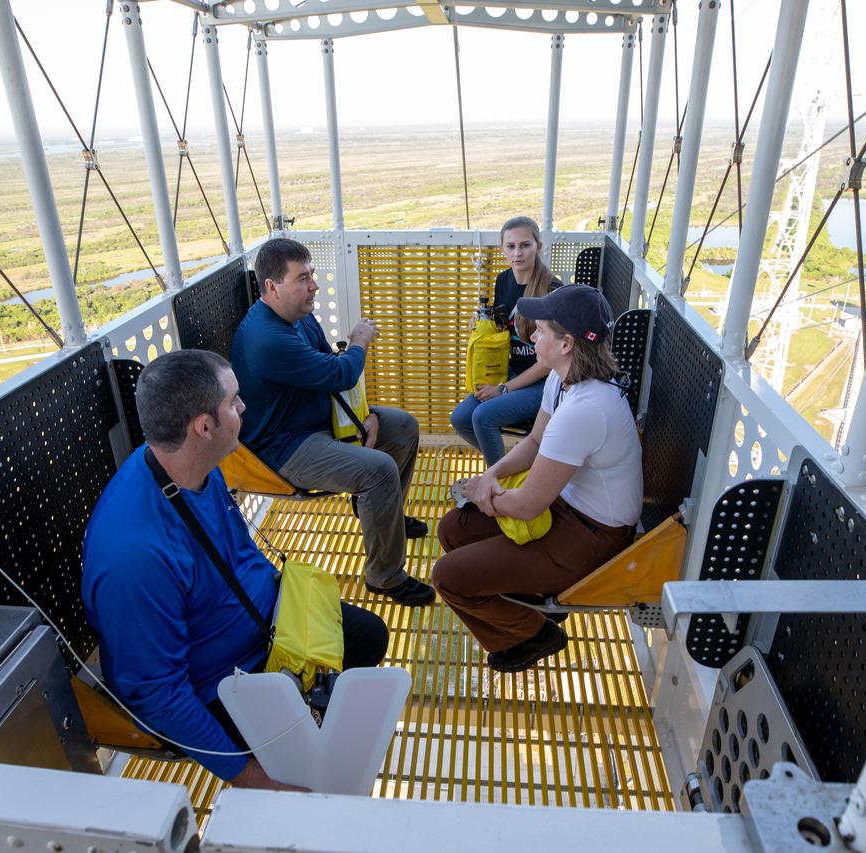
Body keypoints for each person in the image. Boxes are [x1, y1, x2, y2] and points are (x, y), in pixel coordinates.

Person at [83, 349, 390, 789]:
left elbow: (236, 552)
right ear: (205, 427)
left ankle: (309, 718)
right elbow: (159, 695)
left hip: (266, 623)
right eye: (233, 401)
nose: (243, 408)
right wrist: (252, 777)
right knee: (310, 780)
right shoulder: (135, 556)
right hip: (223, 680)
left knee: (370, 636)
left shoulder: (196, 467)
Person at [431, 285, 642, 673]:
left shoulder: (585, 410)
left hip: (592, 537)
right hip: (567, 507)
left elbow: (527, 506)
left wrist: (483, 495)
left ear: (566, 344)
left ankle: (535, 634)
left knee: (447, 578)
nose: (531, 337)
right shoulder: (561, 380)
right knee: (453, 530)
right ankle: (534, 600)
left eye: (541, 330)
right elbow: (534, 441)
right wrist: (491, 474)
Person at [232, 237, 435, 607]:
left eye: (312, 274)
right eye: (302, 278)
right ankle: (385, 576)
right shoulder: (267, 338)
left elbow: (329, 370)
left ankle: (383, 517)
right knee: (379, 470)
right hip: (283, 446)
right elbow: (342, 373)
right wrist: (359, 341)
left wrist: (364, 416)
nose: (314, 286)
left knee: (404, 426)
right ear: (272, 287)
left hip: (316, 420)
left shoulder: (299, 316)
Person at [450, 216, 560, 466]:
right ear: (502, 249)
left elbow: (549, 363)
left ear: (538, 247)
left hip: (544, 382)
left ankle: (498, 476)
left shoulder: (552, 290)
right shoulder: (503, 280)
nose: (517, 253)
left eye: (525, 245)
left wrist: (503, 389)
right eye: (511, 246)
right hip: (511, 370)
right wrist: (483, 322)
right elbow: (503, 327)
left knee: (483, 417)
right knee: (460, 418)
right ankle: (509, 467)